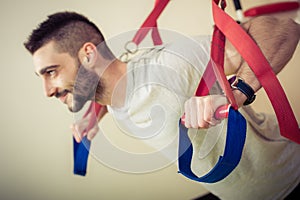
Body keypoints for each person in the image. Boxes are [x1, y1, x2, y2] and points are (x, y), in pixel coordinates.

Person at [24, 11, 300, 200]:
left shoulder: (171, 63)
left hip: (290, 180)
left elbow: (283, 28)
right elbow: (117, 92)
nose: (47, 91)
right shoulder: (112, 92)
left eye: (51, 72)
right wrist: (94, 116)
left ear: (87, 54)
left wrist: (236, 94)